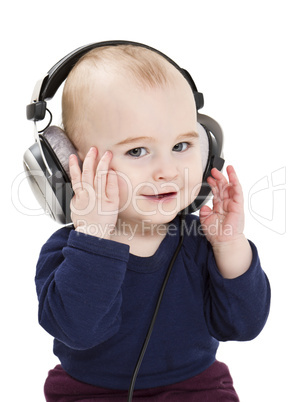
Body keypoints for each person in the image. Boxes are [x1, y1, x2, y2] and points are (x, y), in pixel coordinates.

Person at [35, 44, 270, 401]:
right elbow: (79, 330)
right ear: (71, 167)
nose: (168, 171)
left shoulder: (199, 241)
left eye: (180, 146)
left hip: (198, 388)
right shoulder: (68, 251)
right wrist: (95, 236)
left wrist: (229, 245)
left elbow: (244, 326)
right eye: (137, 151)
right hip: (86, 393)